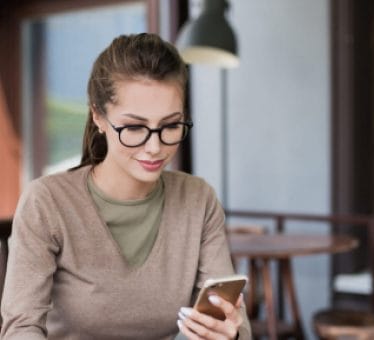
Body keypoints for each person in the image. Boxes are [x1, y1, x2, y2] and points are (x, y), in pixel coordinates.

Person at [1, 33, 251, 340]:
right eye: (134, 127)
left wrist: (230, 334)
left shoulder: (198, 200)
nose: (155, 147)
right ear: (98, 116)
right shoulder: (48, 202)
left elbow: (236, 325)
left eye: (171, 125)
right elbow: (20, 329)